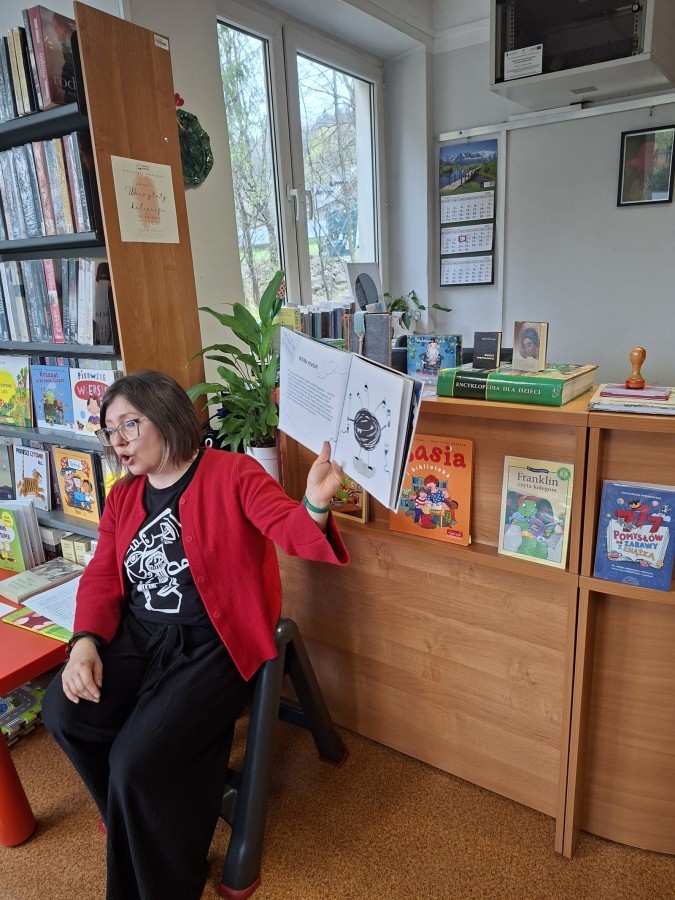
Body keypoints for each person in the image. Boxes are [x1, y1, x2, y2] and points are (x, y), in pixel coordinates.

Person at [42, 370, 349, 900]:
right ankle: (133, 815)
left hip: (214, 643)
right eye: (110, 430)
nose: (118, 441)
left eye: (129, 425)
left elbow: (288, 528)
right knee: (64, 712)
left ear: (165, 416)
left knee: (135, 760)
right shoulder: (123, 497)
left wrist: (316, 504)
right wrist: (85, 642)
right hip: (140, 636)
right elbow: (102, 573)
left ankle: (165, 872)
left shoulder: (234, 472)